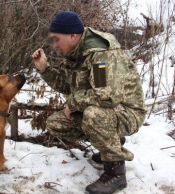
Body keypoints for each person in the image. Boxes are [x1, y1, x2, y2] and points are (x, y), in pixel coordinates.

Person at [31, 11, 146, 194]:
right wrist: (44, 69)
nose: (54, 44)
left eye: (57, 39)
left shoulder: (100, 54)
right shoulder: (75, 53)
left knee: (93, 115)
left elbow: (106, 97)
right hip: (107, 111)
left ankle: (116, 174)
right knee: (56, 124)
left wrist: (73, 103)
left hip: (127, 111)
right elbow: (67, 85)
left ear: (72, 36)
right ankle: (110, 142)